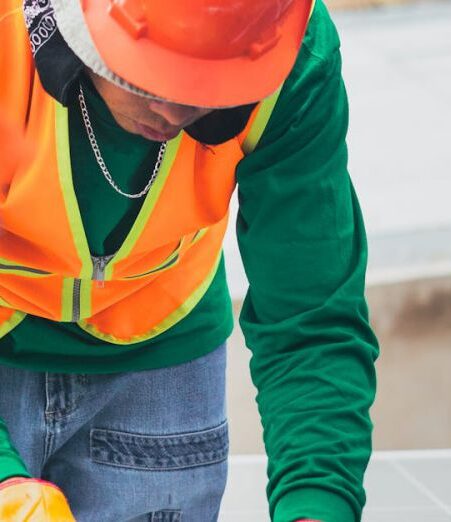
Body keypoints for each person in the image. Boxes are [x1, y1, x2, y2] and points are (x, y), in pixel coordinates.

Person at [0, 0, 380, 521]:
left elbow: (310, 312)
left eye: (210, 87)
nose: (176, 115)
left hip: (160, 362)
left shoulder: (287, 44)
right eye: (149, 80)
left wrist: (316, 500)